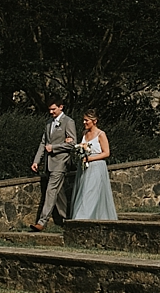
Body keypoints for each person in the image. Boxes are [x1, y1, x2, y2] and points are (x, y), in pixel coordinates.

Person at [31, 99, 77, 231]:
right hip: (49, 163)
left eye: (53, 109)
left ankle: (42, 222)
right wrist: (36, 161)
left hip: (61, 162)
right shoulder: (48, 123)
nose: (51, 112)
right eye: (49, 110)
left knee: (51, 191)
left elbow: (73, 143)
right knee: (59, 193)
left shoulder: (69, 122)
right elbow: (43, 143)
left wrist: (55, 147)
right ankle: (67, 219)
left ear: (61, 107)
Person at [69, 110, 118, 221]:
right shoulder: (84, 134)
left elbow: (106, 153)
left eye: (87, 120)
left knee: (90, 192)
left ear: (94, 121)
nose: (84, 122)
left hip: (96, 166)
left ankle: (81, 218)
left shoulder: (101, 134)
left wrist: (90, 158)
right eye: (84, 120)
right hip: (84, 167)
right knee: (83, 191)